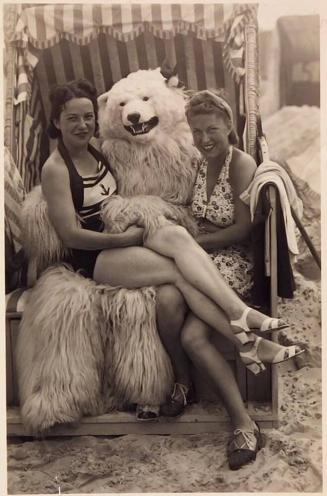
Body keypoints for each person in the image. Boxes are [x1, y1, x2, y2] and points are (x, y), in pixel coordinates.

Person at [41, 80, 303, 463]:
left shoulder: (98, 152)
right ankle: (244, 333)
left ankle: (243, 327)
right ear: (56, 122)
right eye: (72, 119)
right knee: (178, 271)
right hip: (95, 256)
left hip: (124, 237)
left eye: (87, 117)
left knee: (178, 237)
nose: (82, 125)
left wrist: (142, 223)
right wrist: (127, 239)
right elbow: (69, 234)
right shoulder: (56, 167)